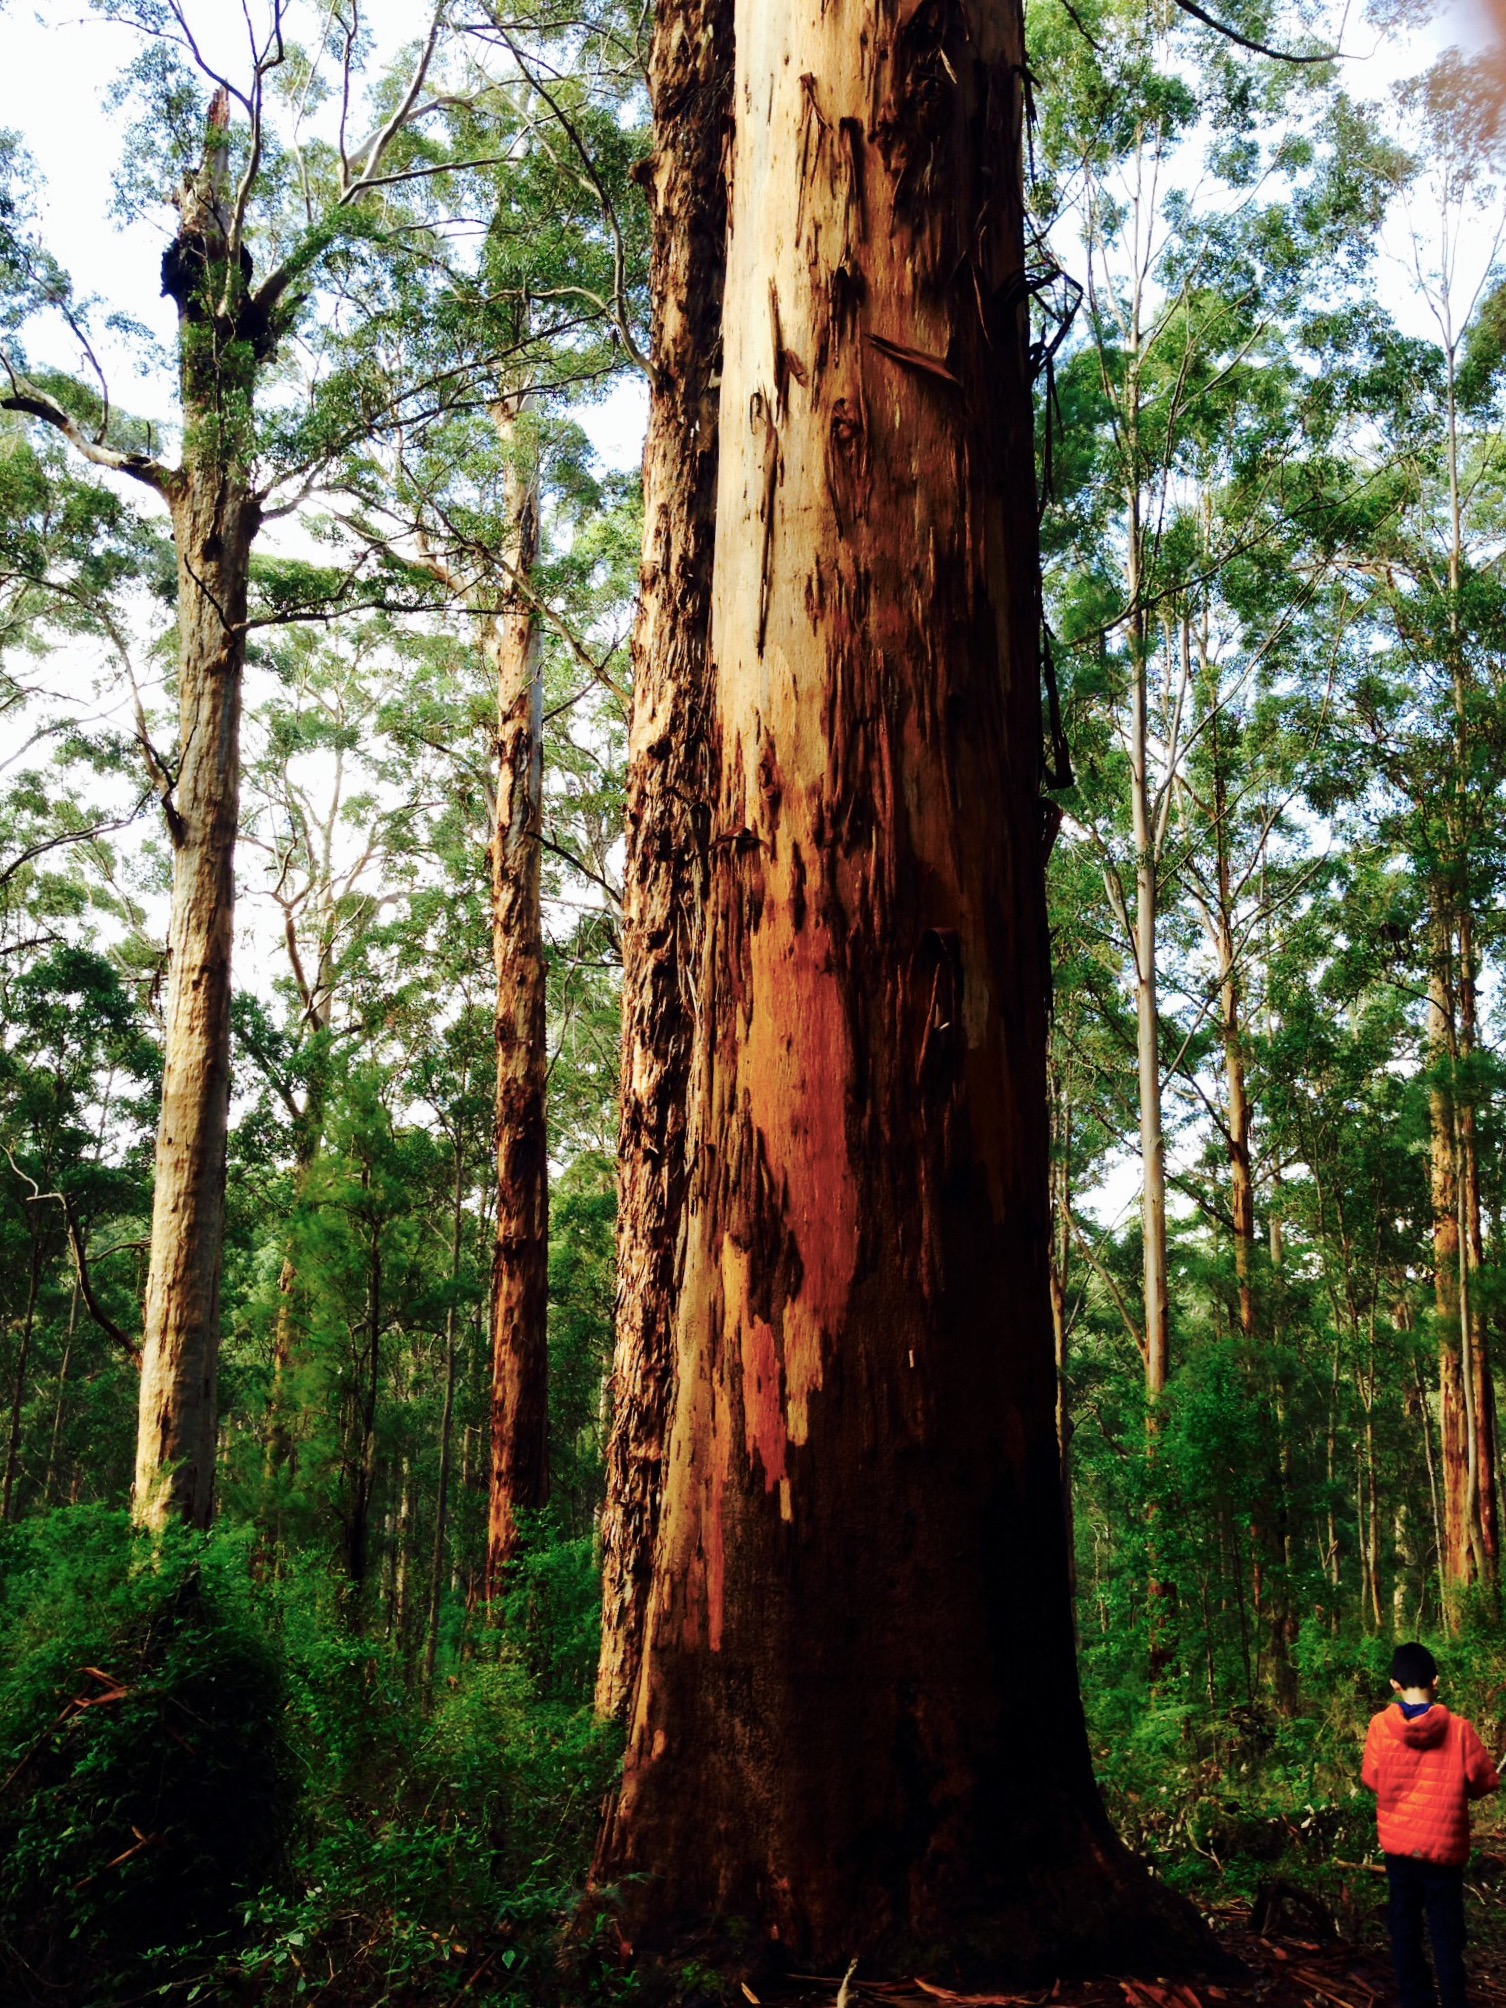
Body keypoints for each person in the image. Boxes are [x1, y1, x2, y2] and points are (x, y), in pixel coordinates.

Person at [1362, 1642, 1500, 2008]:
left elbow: (1372, 1778)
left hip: (1399, 1848)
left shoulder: (1379, 1726)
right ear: (1436, 1681)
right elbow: (1485, 1782)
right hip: (1444, 1849)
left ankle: (1414, 1999)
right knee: (1447, 1932)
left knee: (1404, 1927)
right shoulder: (1459, 1730)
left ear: (1394, 1683)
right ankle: (1454, 2000)